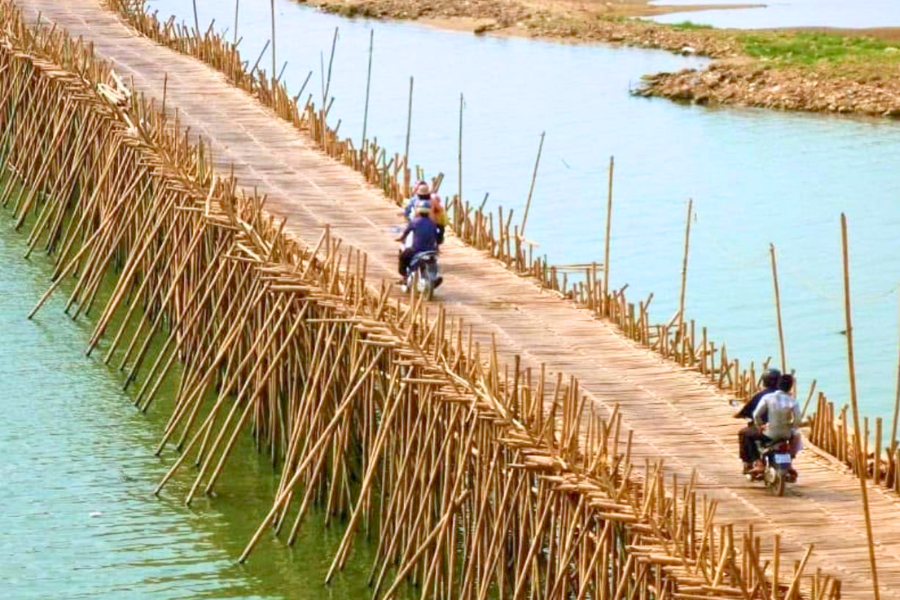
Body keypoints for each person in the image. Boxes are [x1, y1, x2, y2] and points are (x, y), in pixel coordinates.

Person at [751, 373, 801, 475]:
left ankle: (759, 462)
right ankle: (790, 460)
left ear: (778, 384)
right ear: (790, 387)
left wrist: (760, 425)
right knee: (797, 436)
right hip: (786, 434)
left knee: (752, 438)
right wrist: (790, 426)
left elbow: (756, 415)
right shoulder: (793, 400)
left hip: (770, 432)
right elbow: (797, 420)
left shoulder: (768, 397)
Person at [736, 368, 780, 473]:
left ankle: (756, 462)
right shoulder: (786, 396)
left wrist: (739, 415)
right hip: (785, 431)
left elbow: (749, 411)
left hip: (767, 430)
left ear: (764, 381)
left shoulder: (761, 396)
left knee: (744, 433)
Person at [396, 199, 440, 281]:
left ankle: (405, 275)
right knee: (434, 261)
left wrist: (401, 238)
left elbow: (406, 232)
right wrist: (437, 247)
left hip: (417, 249)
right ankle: (434, 277)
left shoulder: (414, 222)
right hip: (431, 250)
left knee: (403, 257)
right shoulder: (433, 223)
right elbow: (437, 237)